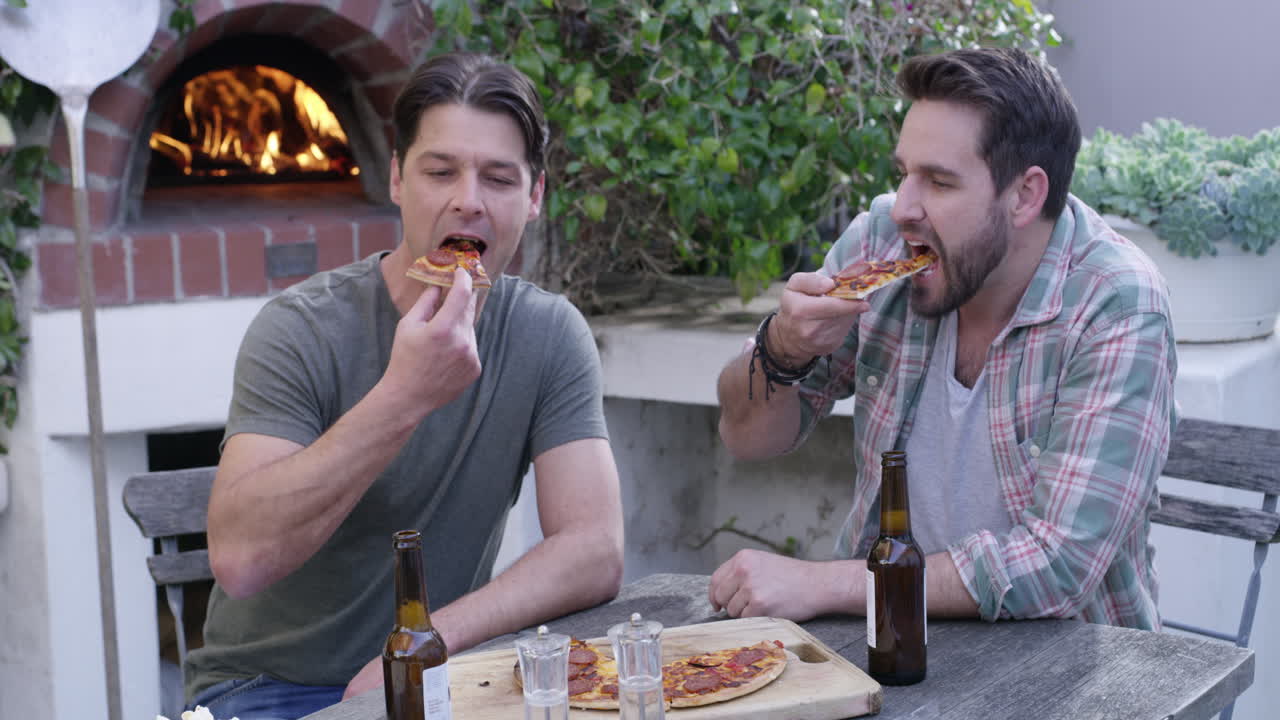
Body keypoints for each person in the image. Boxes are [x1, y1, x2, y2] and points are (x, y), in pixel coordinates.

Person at [185, 52, 625, 719]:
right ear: (396, 178)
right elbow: (242, 559)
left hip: (444, 677)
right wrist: (407, 392)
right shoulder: (299, 329)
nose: (468, 200)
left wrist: (428, 642)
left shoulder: (547, 333)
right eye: (440, 171)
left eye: (499, 178)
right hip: (270, 690)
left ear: (534, 198)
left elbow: (594, 548)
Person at [710, 47, 1177, 630]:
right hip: (892, 641)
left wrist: (820, 582)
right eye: (904, 172)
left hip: (1075, 671)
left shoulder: (1114, 302)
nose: (904, 206)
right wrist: (784, 348)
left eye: (939, 181)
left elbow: (1059, 565)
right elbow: (747, 440)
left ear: (1025, 195)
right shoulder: (881, 242)